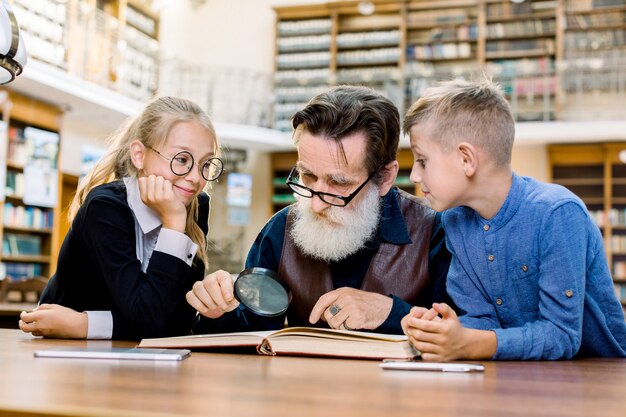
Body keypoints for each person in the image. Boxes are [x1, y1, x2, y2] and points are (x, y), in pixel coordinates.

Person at [187, 85, 451, 335]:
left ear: (385, 177)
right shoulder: (279, 231)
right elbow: (252, 333)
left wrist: (393, 313)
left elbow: (469, 333)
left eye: (338, 183)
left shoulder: (436, 230)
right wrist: (218, 311)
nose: (315, 204)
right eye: (308, 176)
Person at [401, 77, 626, 360]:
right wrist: (442, 330)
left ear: (466, 159)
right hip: (517, 374)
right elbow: (483, 321)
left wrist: (470, 344)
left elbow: (562, 336)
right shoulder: (454, 222)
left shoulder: (557, 214)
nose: (414, 176)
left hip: (602, 377)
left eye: (422, 161)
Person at [19, 96, 223, 340]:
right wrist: (174, 225)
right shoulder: (105, 206)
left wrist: (84, 324)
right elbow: (153, 324)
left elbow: (174, 322)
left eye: (206, 164)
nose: (196, 178)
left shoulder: (195, 206)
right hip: (67, 353)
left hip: (133, 355)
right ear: (139, 155)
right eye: (182, 160)